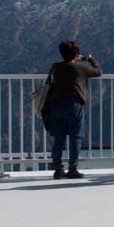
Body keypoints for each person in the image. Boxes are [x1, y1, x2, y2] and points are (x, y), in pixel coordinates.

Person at [43, 41, 102, 179]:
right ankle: (72, 169)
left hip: (56, 105)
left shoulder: (56, 67)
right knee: (75, 138)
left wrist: (74, 59)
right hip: (74, 105)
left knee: (58, 139)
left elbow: (63, 70)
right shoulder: (81, 68)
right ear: (76, 54)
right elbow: (98, 72)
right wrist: (90, 60)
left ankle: (58, 170)